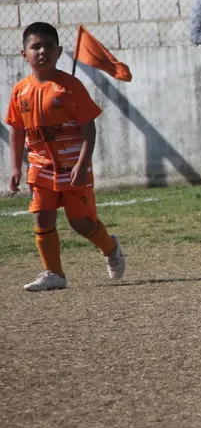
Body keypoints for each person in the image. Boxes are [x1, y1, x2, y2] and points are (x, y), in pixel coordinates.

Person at [6, 22, 126, 291]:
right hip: (40, 168)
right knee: (42, 217)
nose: (42, 51)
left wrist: (83, 164)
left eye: (49, 45)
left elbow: (89, 128)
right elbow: (16, 129)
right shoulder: (19, 91)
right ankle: (54, 273)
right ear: (24, 53)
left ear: (59, 51)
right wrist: (15, 167)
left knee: (81, 223)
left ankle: (111, 248)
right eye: (35, 46)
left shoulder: (70, 86)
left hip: (73, 166)